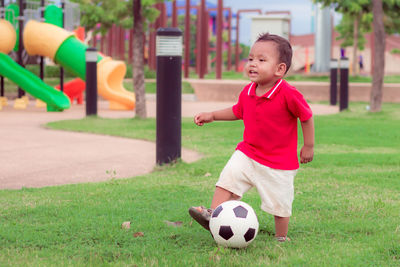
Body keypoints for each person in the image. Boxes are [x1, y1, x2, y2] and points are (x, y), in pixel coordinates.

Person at [188, 33, 315, 242]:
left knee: (280, 203)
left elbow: (306, 116)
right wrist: (212, 115)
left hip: (279, 163)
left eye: (261, 60)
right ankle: (214, 215)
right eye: (250, 59)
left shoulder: (288, 93)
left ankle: (281, 237)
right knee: (227, 179)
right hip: (248, 152)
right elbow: (238, 111)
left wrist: (308, 146)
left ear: (280, 69)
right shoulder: (248, 91)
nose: (253, 64)